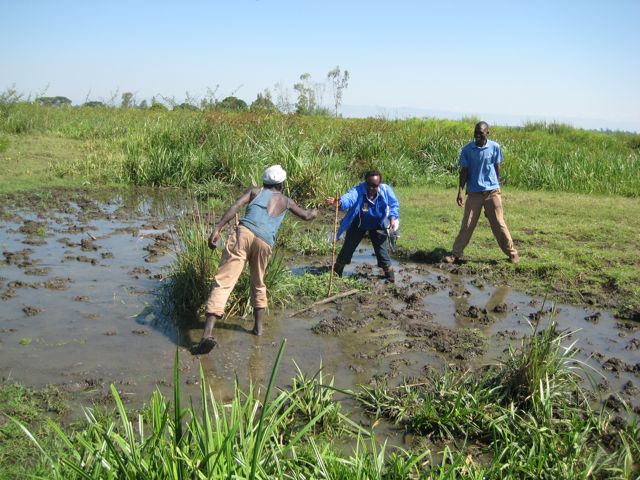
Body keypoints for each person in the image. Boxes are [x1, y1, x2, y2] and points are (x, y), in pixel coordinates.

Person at [190, 165, 318, 355]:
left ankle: (207, 335)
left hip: (244, 235)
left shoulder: (254, 191)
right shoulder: (286, 201)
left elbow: (236, 206)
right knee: (258, 283)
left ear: (265, 181)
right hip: (265, 242)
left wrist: (217, 228)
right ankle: (258, 330)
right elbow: (306, 216)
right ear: (282, 184)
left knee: (224, 282)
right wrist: (316, 211)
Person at [444, 121, 519, 264]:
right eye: (476, 132)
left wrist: (497, 187)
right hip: (474, 193)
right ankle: (455, 254)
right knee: (467, 224)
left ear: (487, 133)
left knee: (499, 222)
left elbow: (496, 168)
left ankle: (512, 253)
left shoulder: (495, 147)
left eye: (481, 133)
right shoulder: (467, 150)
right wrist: (460, 191)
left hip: (492, 192)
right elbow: (464, 172)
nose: (477, 135)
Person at [325, 170, 399, 282]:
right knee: (347, 249)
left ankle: (390, 278)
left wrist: (392, 218)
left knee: (382, 252)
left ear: (379, 184)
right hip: (358, 224)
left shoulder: (385, 190)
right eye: (369, 185)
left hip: (378, 225)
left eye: (375, 186)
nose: (371, 189)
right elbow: (349, 198)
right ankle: (336, 273)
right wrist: (339, 203)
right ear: (365, 183)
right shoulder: (359, 190)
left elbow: (393, 204)